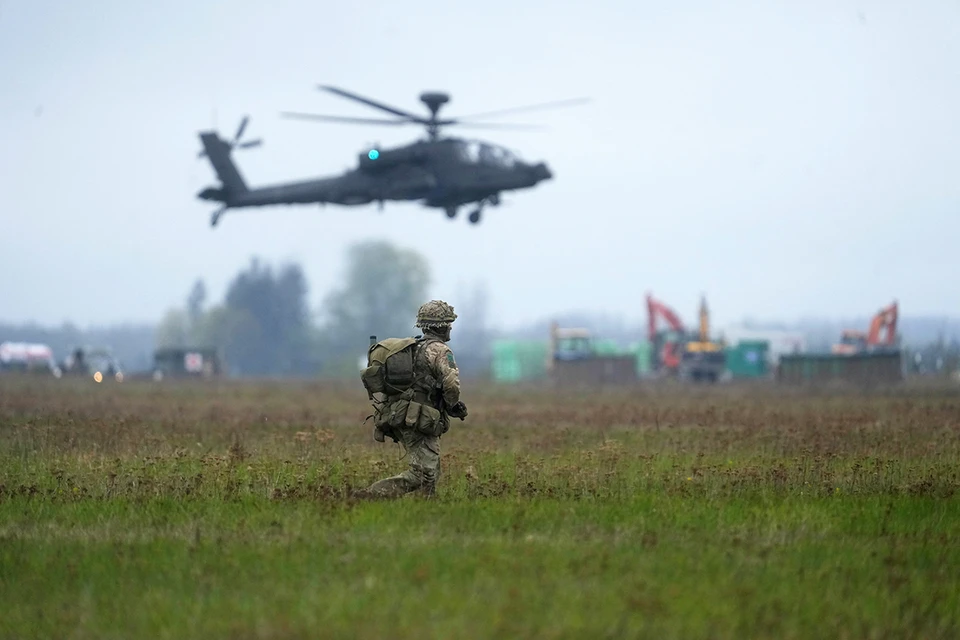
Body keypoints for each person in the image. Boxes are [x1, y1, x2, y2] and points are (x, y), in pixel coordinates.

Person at [361, 300, 468, 498]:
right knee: (423, 474)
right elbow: (452, 383)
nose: (450, 329)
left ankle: (427, 511)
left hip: (403, 414)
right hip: (418, 418)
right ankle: (368, 496)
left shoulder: (414, 347)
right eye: (449, 324)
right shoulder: (440, 351)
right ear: (443, 326)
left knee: (432, 470)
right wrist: (452, 404)